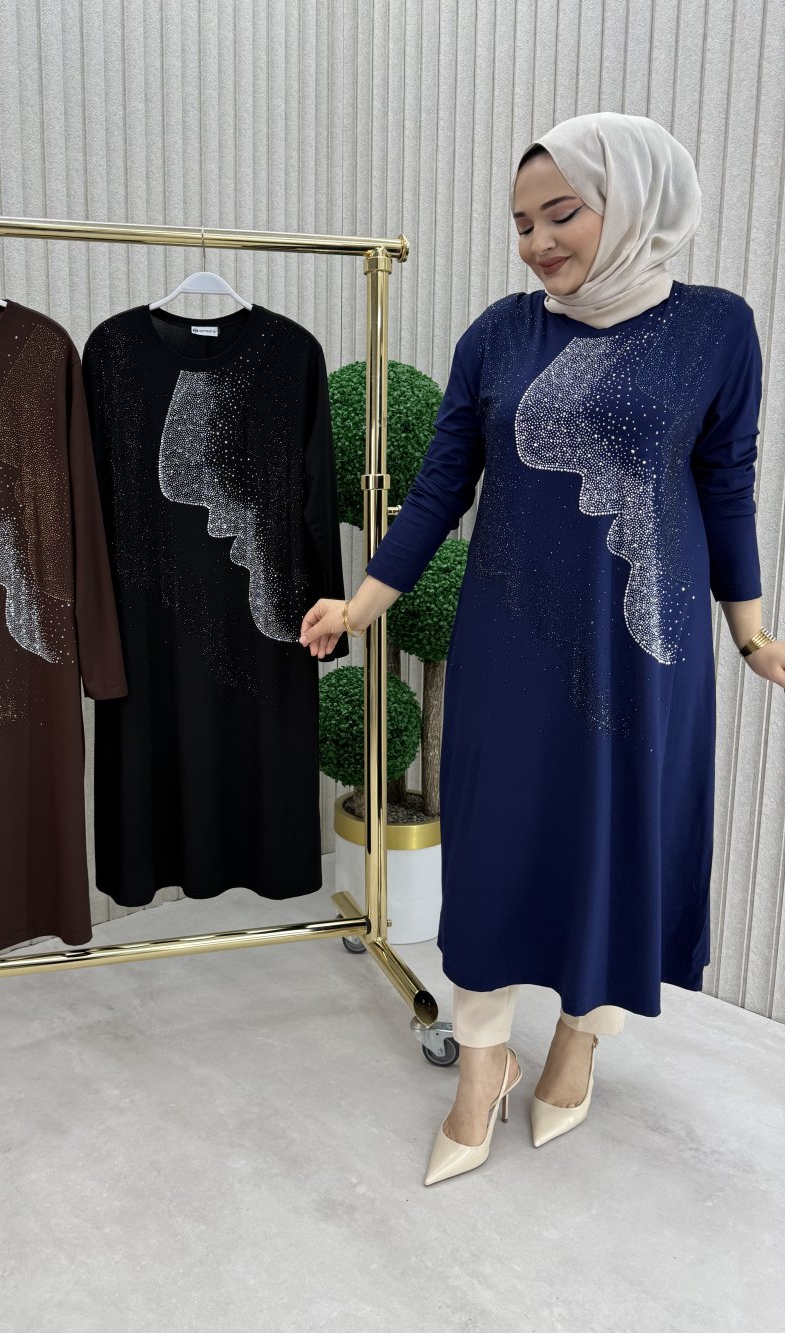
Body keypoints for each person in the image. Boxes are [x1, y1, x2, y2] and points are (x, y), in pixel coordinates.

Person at [299, 112, 784, 1186]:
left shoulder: (716, 329)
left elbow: (727, 482)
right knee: (498, 846)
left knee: (616, 840)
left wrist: (749, 628)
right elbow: (440, 488)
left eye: (560, 213)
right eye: (520, 224)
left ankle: (578, 1038)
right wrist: (363, 602)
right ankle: (483, 1063)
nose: (536, 242)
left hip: (645, 651)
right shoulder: (500, 335)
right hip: (509, 640)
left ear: (634, 201)